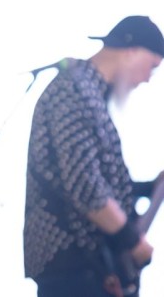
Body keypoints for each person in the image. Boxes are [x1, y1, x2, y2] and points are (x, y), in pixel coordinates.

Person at [24, 15, 164, 297]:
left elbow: (89, 175)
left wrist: (148, 188)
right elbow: (84, 185)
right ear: (131, 51)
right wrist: (132, 240)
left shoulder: (90, 94)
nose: (148, 78)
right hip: (73, 268)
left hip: (87, 269)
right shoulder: (73, 89)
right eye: (152, 66)